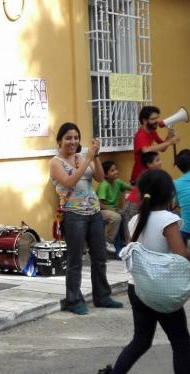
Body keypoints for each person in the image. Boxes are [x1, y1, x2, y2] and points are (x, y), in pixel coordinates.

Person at [94, 169, 190, 374]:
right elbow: (180, 253)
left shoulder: (134, 220)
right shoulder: (168, 219)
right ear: (169, 194)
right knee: (181, 342)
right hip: (160, 289)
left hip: (137, 287)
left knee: (141, 340)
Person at [49, 122, 123, 315]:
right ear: (59, 141)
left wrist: (95, 156)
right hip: (73, 215)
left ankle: (102, 296)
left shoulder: (82, 157)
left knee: (99, 257)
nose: (73, 142)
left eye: (76, 138)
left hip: (94, 212)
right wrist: (87, 159)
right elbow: (69, 182)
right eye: (68, 138)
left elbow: (99, 177)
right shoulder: (55, 162)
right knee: (75, 260)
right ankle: (73, 300)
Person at [131, 105, 180, 185]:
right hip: (140, 178)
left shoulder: (152, 132)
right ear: (144, 121)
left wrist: (169, 135)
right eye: (153, 119)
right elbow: (145, 150)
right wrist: (169, 142)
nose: (157, 121)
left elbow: (163, 148)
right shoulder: (140, 135)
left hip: (149, 176)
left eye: (157, 118)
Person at [96, 160, 132, 251]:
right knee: (116, 217)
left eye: (116, 169)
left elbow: (131, 188)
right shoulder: (104, 185)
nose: (116, 172)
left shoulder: (118, 182)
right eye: (112, 170)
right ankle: (108, 241)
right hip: (100, 210)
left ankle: (127, 241)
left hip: (113, 209)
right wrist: (112, 210)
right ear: (106, 175)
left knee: (126, 214)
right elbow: (99, 204)